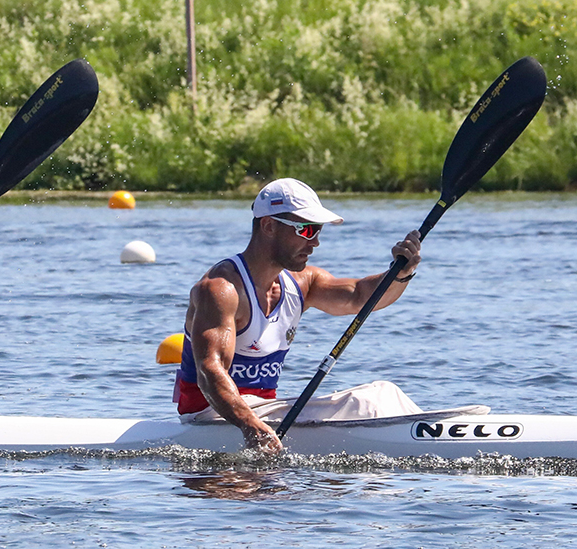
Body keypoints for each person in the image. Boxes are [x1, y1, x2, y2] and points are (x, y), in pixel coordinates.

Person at [173, 178, 422, 453]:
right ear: (269, 226)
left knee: (384, 394)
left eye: (318, 231)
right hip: (212, 416)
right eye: (306, 230)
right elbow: (210, 372)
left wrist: (401, 273)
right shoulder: (222, 289)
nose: (315, 242)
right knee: (371, 402)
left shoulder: (303, 283)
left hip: (263, 414)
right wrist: (250, 425)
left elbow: (361, 296)